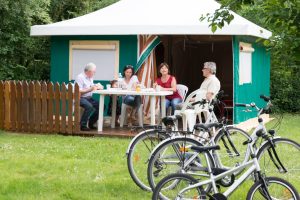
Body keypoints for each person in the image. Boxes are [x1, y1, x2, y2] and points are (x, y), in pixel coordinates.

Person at [75, 63, 103, 131]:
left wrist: (97, 86)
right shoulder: (80, 77)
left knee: (101, 106)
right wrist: (90, 89)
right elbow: (78, 91)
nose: (94, 73)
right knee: (89, 106)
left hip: (89, 98)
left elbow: (91, 86)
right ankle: (83, 125)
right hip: (80, 98)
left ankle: (91, 123)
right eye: (94, 72)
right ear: (89, 71)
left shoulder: (90, 77)